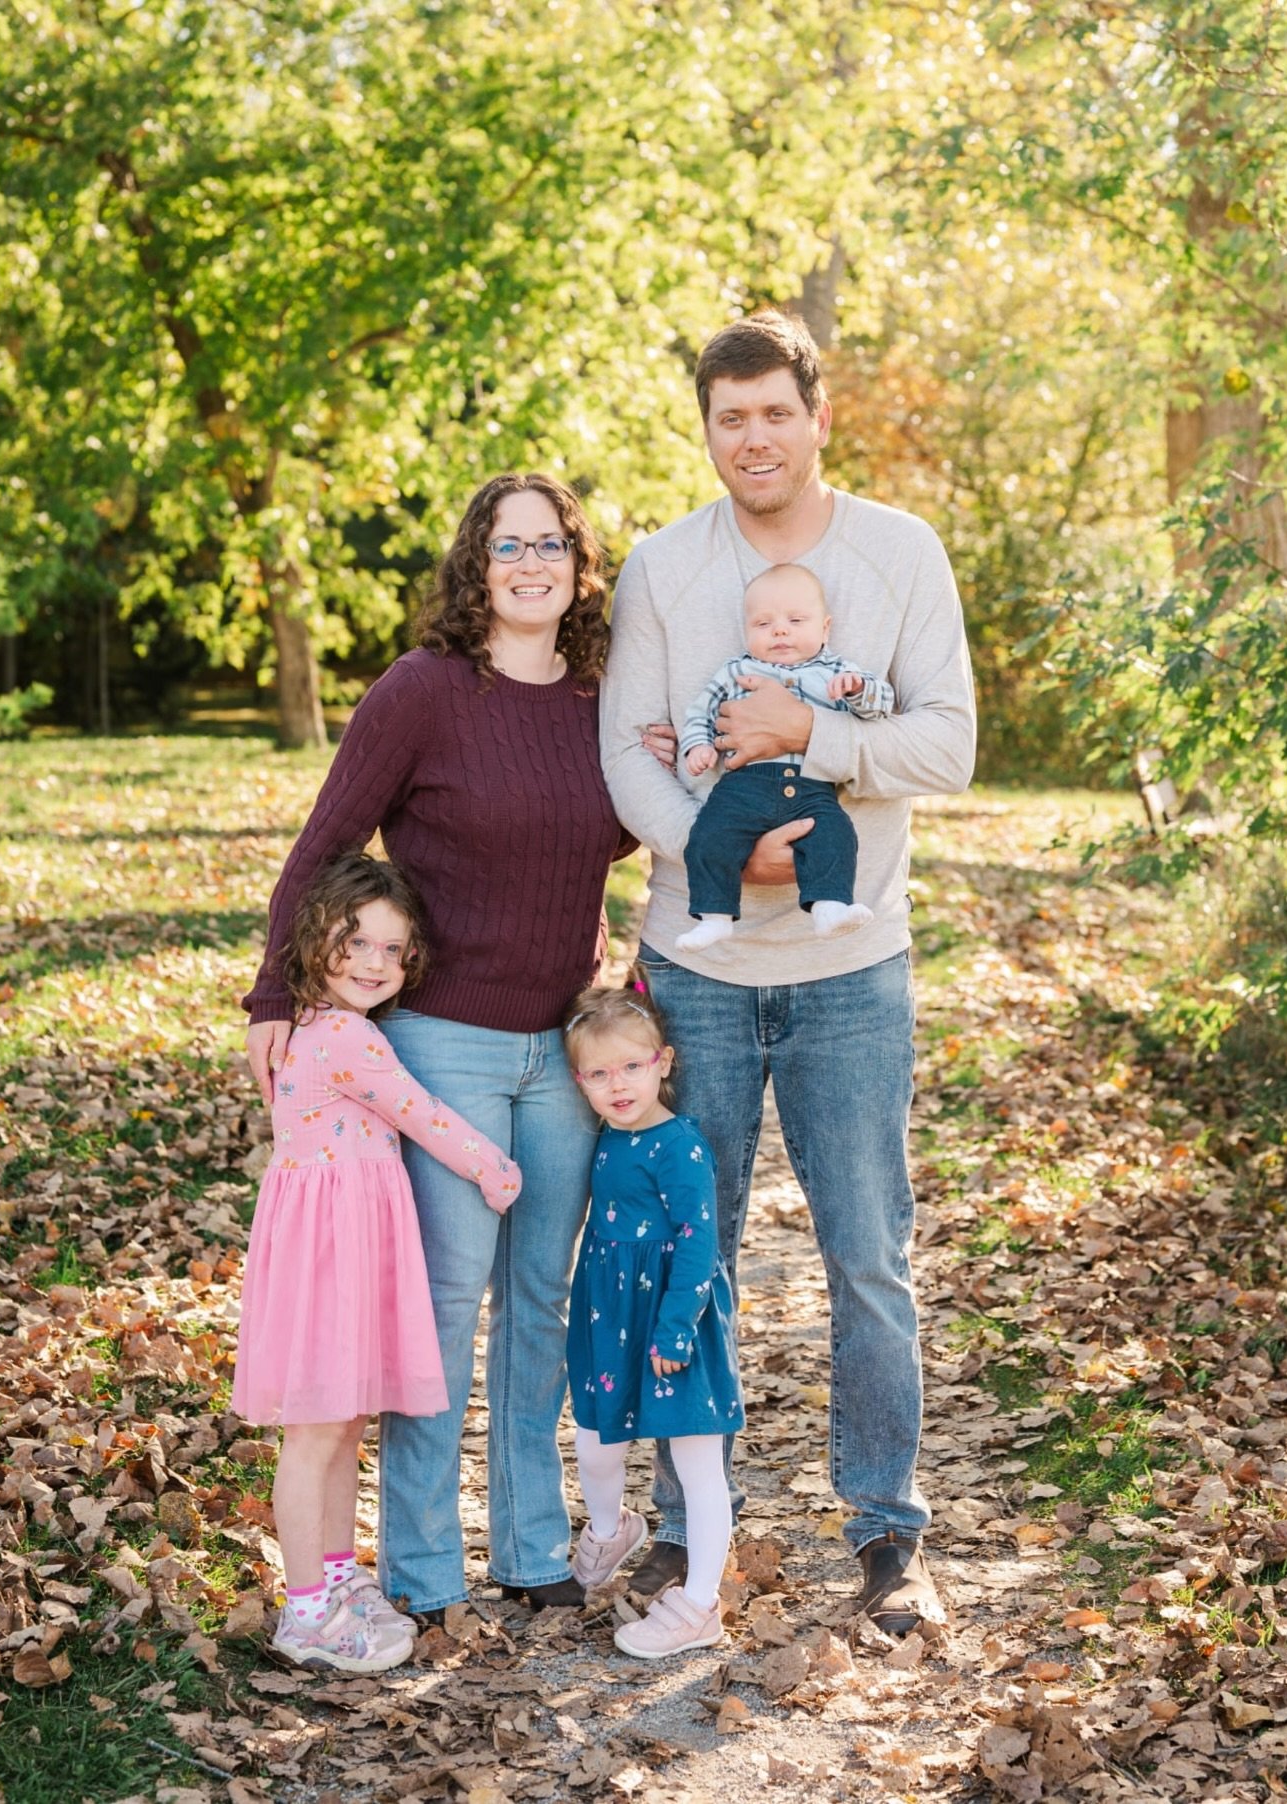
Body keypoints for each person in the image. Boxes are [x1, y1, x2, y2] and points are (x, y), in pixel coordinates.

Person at [600, 309, 976, 1633]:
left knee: (867, 1256)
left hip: (853, 963)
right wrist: (725, 856)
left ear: (819, 416)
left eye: (775, 411)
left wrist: (811, 731)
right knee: (676, 1253)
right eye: (728, 417)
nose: (752, 436)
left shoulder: (899, 553)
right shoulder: (659, 567)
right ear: (707, 431)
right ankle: (681, 1523)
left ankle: (887, 1533)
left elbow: (949, 743)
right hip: (693, 966)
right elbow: (628, 756)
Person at [244, 473, 633, 1621]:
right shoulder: (421, 692)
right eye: (509, 545)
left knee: (541, 1305)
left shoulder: (602, 699)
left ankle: (529, 1547)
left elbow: (624, 831)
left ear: (578, 565)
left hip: (559, 1044)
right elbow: (325, 840)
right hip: (439, 1045)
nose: (531, 564)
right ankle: (419, 1570)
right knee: (443, 1308)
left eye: (553, 545)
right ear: (477, 563)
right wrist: (275, 989)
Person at [233, 852, 521, 1672]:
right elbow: (422, 1114)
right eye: (353, 940)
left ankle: (335, 1576)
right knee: (319, 1434)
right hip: (334, 1251)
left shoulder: (310, 1029)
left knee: (341, 1423)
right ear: (311, 937)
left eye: (392, 951)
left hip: (340, 1242)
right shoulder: (345, 1038)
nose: (373, 962)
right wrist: (493, 1169)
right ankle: (305, 1612)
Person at [561, 979, 743, 1658]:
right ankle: (610, 1529)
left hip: (675, 1321)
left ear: (663, 1062)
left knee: (696, 1461)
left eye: (632, 1066)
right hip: (612, 1316)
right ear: (580, 1081)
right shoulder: (605, 1139)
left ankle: (699, 1603)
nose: (618, 1085)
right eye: (600, 1074)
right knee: (594, 1438)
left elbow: (700, 1241)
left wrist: (673, 1328)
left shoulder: (680, 1146)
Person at [676, 561, 892, 950]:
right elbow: (700, 713)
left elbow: (882, 708)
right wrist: (698, 746)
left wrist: (858, 689)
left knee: (836, 834)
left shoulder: (837, 672)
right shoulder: (735, 671)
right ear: (746, 632)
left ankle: (830, 907)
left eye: (796, 620)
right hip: (743, 784)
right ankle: (714, 915)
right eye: (763, 624)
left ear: (825, 628)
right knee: (709, 835)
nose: (779, 630)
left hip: (812, 786)